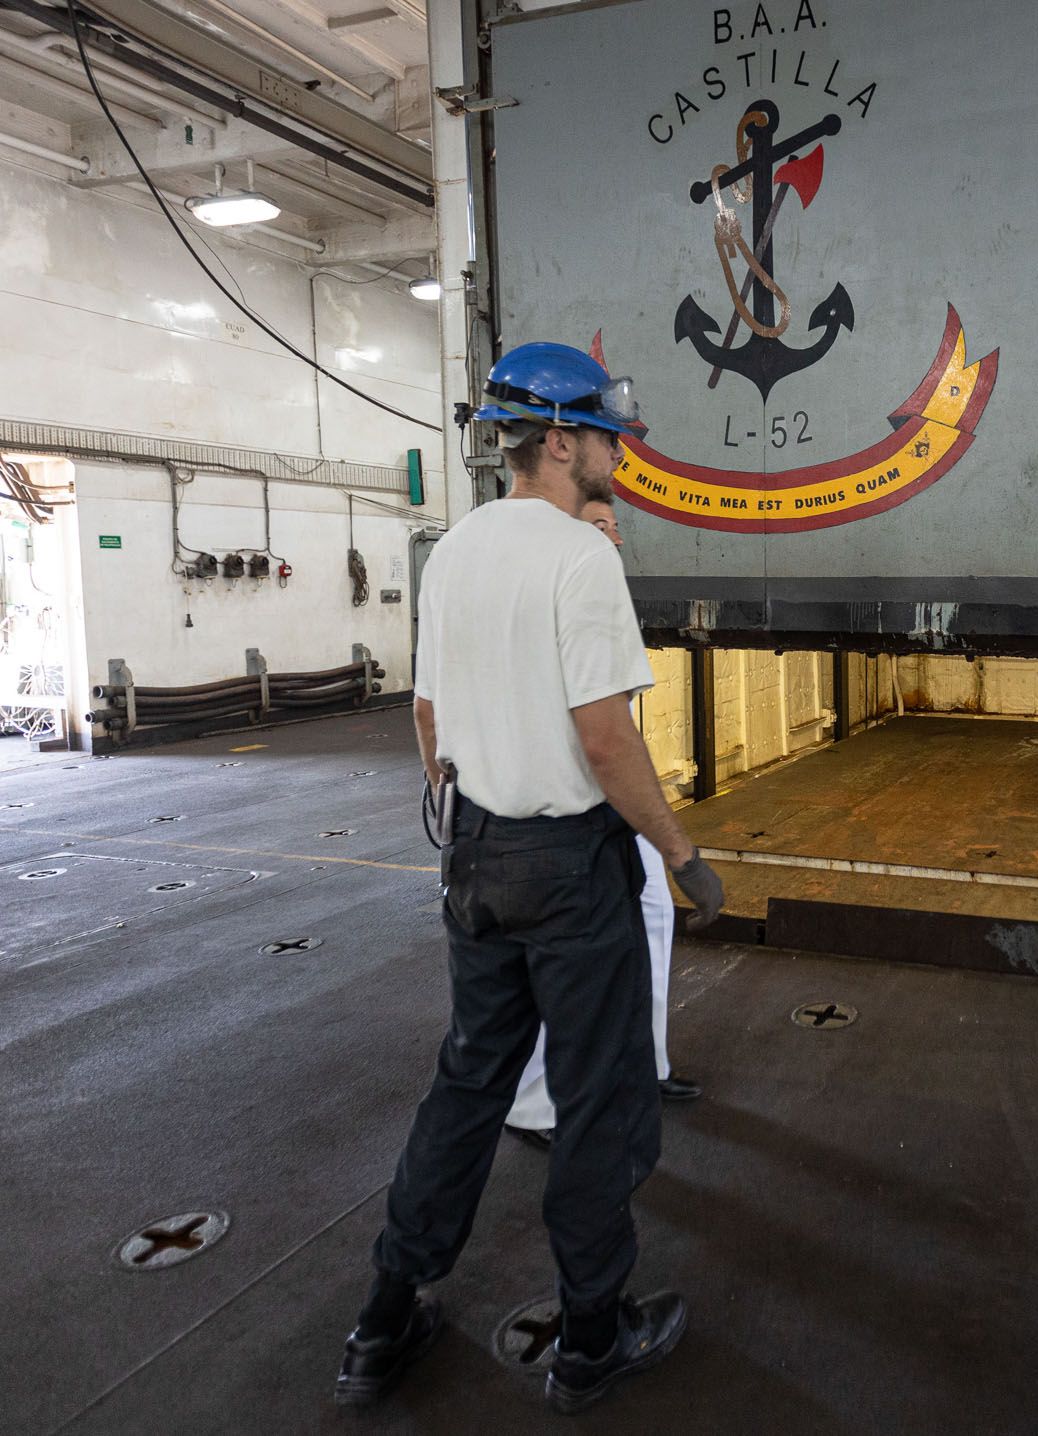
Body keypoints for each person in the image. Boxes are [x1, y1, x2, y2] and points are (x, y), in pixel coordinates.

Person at [336, 342, 726, 1415]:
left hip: (474, 855)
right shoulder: (577, 555)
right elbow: (606, 739)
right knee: (600, 1099)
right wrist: (682, 855)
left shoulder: (453, 551)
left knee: (468, 1083)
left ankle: (383, 1315)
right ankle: (593, 1335)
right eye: (606, 435)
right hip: (566, 867)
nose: (617, 454)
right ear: (560, 439)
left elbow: (427, 716)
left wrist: (474, 806)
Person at [506, 497, 701, 1153]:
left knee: (652, 918)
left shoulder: (600, 599)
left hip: (608, 798)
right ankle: (532, 1105)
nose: (612, 538)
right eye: (598, 526)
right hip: (557, 804)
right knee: (554, 954)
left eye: (614, 528)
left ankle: (645, 1066)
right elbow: (598, 734)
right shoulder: (551, 597)